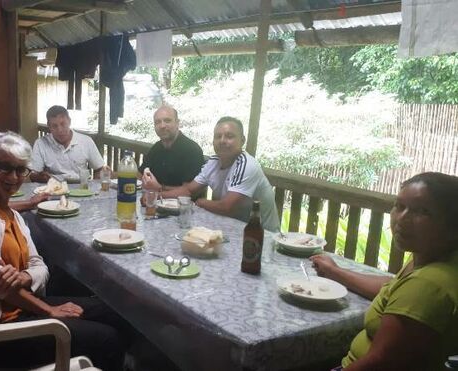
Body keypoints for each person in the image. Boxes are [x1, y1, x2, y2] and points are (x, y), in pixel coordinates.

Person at [0, 130, 126, 370]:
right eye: (4, 167)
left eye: (21, 169)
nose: (14, 176)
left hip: (23, 306)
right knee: (107, 338)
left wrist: (25, 276)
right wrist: (49, 310)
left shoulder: (14, 216)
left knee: (114, 311)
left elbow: (39, 266)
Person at [310, 172, 458, 371]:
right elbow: (393, 290)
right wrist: (335, 272)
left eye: (422, 211)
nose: (402, 219)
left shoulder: (428, 284)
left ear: (452, 225)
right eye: (399, 206)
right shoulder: (431, 256)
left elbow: (380, 364)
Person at [143, 116, 279, 231]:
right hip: (232, 228)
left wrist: (201, 202)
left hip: (263, 236)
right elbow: (188, 190)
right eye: (218, 136)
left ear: (242, 140)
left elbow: (227, 207)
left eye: (229, 136)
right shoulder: (214, 162)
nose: (222, 141)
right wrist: (155, 197)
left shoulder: (247, 164)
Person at [29, 105, 105, 183]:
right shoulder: (40, 143)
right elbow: (33, 174)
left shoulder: (86, 141)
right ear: (49, 126)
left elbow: (99, 169)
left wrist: (96, 185)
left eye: (63, 124)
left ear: (69, 121)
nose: (60, 130)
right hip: (53, 189)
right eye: (54, 126)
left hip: (82, 187)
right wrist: (42, 177)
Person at [138, 106, 205, 189]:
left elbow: (190, 191)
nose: (162, 126)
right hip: (155, 199)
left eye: (167, 121)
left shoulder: (192, 150)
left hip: (182, 201)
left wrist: (159, 188)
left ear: (177, 123)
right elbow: (140, 174)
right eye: (158, 122)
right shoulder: (156, 148)